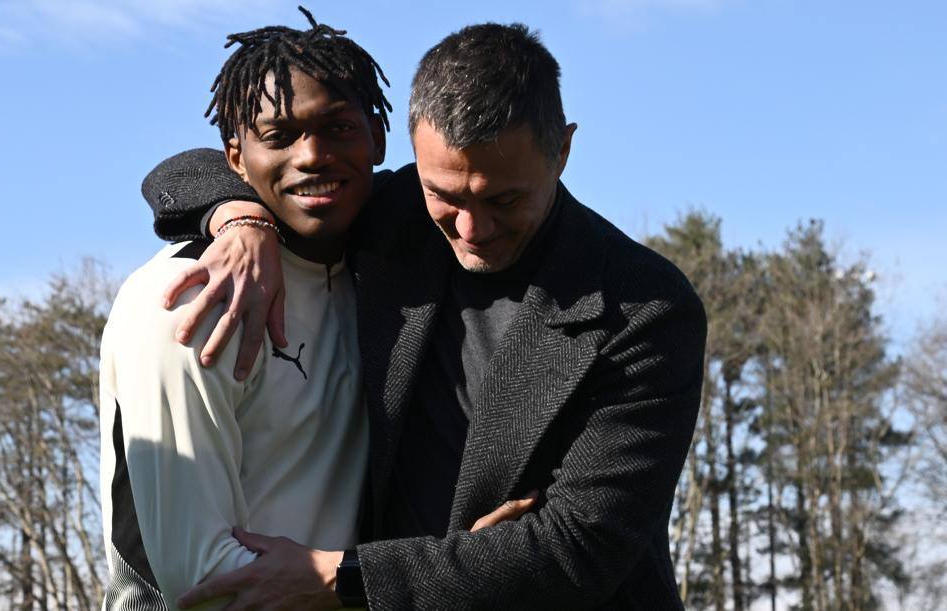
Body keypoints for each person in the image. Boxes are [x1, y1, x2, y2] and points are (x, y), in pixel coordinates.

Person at [145, 23, 708, 610]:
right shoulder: (391, 215)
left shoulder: (645, 307)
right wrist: (242, 219)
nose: (472, 230)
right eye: (447, 195)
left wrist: (342, 577)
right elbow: (183, 173)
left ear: (562, 150)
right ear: (411, 146)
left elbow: (579, 547)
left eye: (504, 200)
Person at [99, 11, 387, 609]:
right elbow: (208, 582)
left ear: (377, 138)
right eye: (279, 136)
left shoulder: (397, 260)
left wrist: (455, 565)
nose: (313, 156)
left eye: (338, 128)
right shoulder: (186, 299)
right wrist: (392, 584)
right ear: (235, 157)